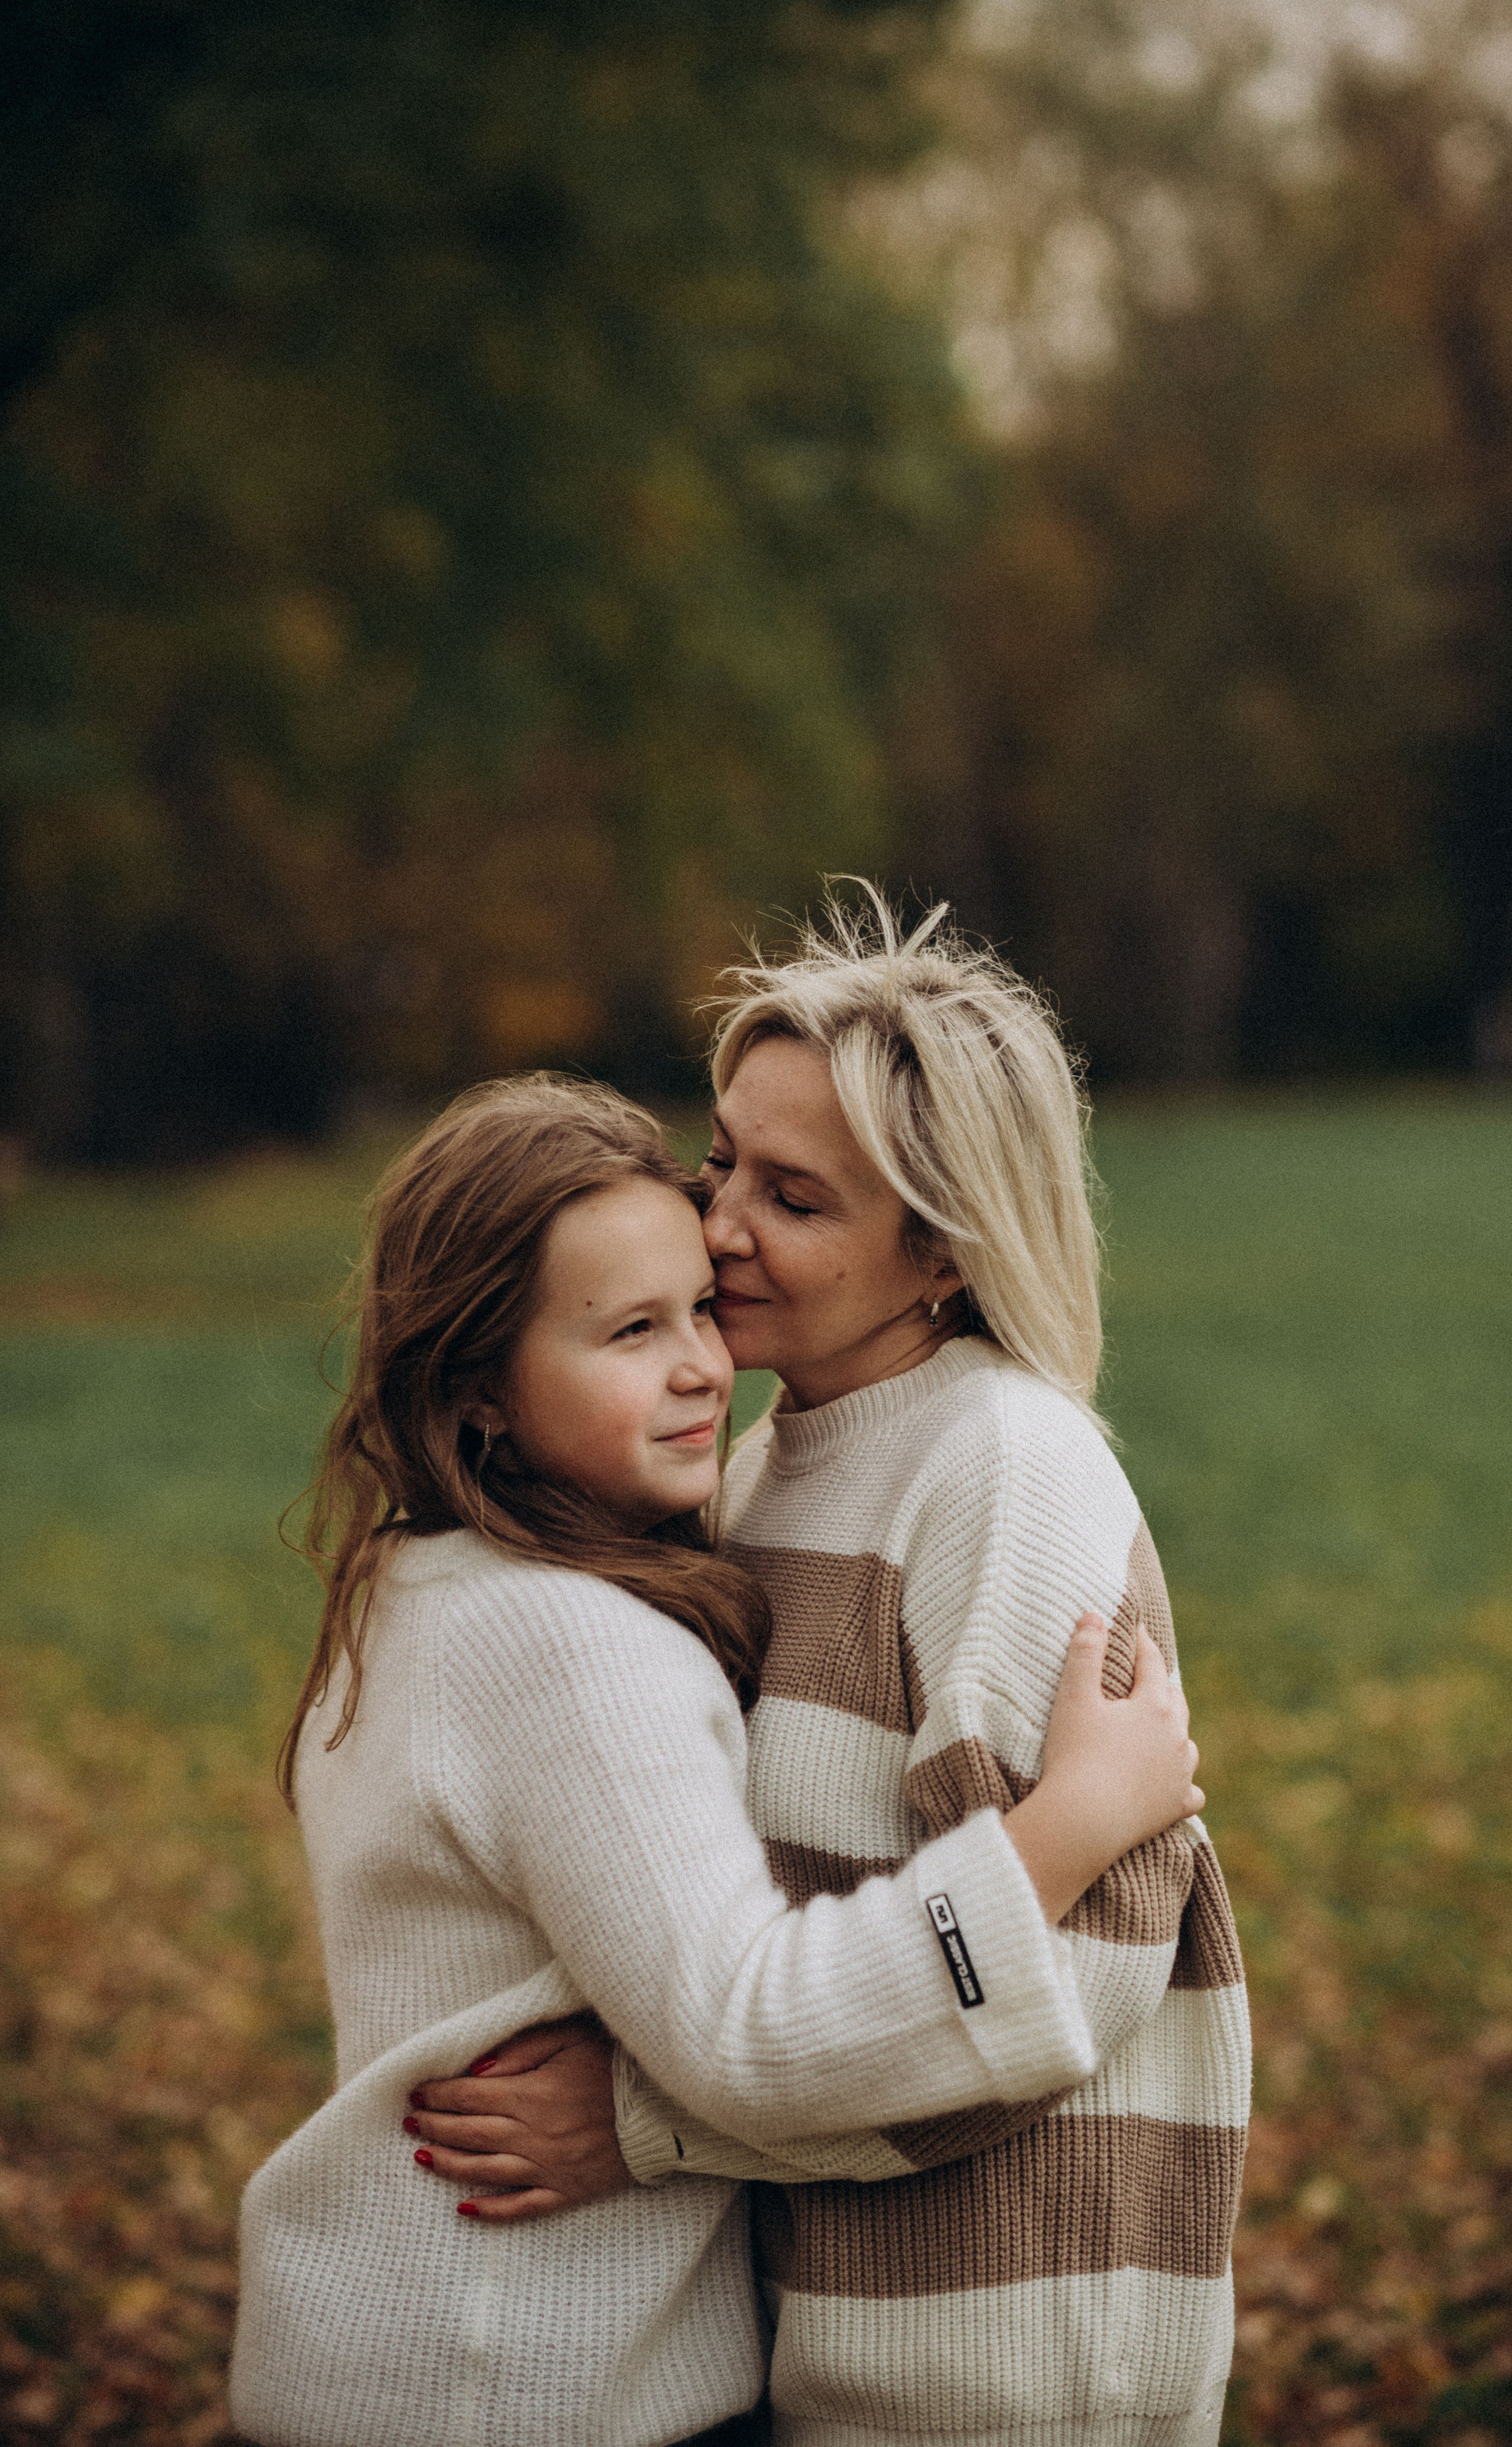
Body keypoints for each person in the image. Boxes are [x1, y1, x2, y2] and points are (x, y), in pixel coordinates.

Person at [228, 1072, 1206, 2447]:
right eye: (630, 1330)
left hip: (449, 2353)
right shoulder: (569, 1639)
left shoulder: (427, 1580)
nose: (702, 1362)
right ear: (481, 1391)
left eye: (695, 1308)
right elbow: (752, 2030)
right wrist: (1070, 1824)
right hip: (516, 2381)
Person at [421, 894, 1252, 2446]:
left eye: (791, 1197)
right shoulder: (755, 1468)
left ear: (939, 1248)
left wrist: (653, 2123)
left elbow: (1076, 1970)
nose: (716, 1219)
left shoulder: (1004, 1472)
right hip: (827, 2333)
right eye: (722, 1154)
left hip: (1004, 2355)